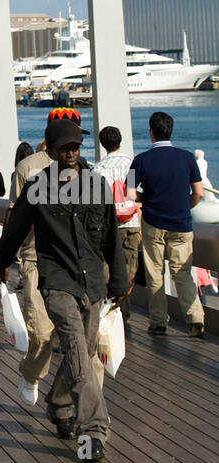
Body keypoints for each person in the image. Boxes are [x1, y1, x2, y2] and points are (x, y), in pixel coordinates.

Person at [0, 115, 129, 462]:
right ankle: (93, 430)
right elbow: (16, 227)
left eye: (75, 146)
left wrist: (120, 281)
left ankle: (57, 403)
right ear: (51, 151)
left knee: (79, 351)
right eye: (63, 147)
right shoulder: (38, 187)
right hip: (58, 283)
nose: (71, 152)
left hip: (93, 282)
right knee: (78, 350)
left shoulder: (97, 185)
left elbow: (111, 235)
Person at [128, 111, 205, 338]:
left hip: (153, 223)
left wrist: (147, 199)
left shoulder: (141, 160)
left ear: (151, 132)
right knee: (182, 273)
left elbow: (129, 194)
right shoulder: (187, 158)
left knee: (155, 274)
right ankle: (196, 319)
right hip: (181, 224)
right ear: (170, 131)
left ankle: (158, 322)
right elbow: (199, 193)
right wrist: (183, 207)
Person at [93, 125, 139, 323]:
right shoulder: (132, 164)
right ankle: (124, 312)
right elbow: (136, 193)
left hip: (107, 226)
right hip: (130, 222)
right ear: (120, 140)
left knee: (108, 269)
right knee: (129, 269)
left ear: (103, 144)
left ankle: (111, 309)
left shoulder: (98, 168)